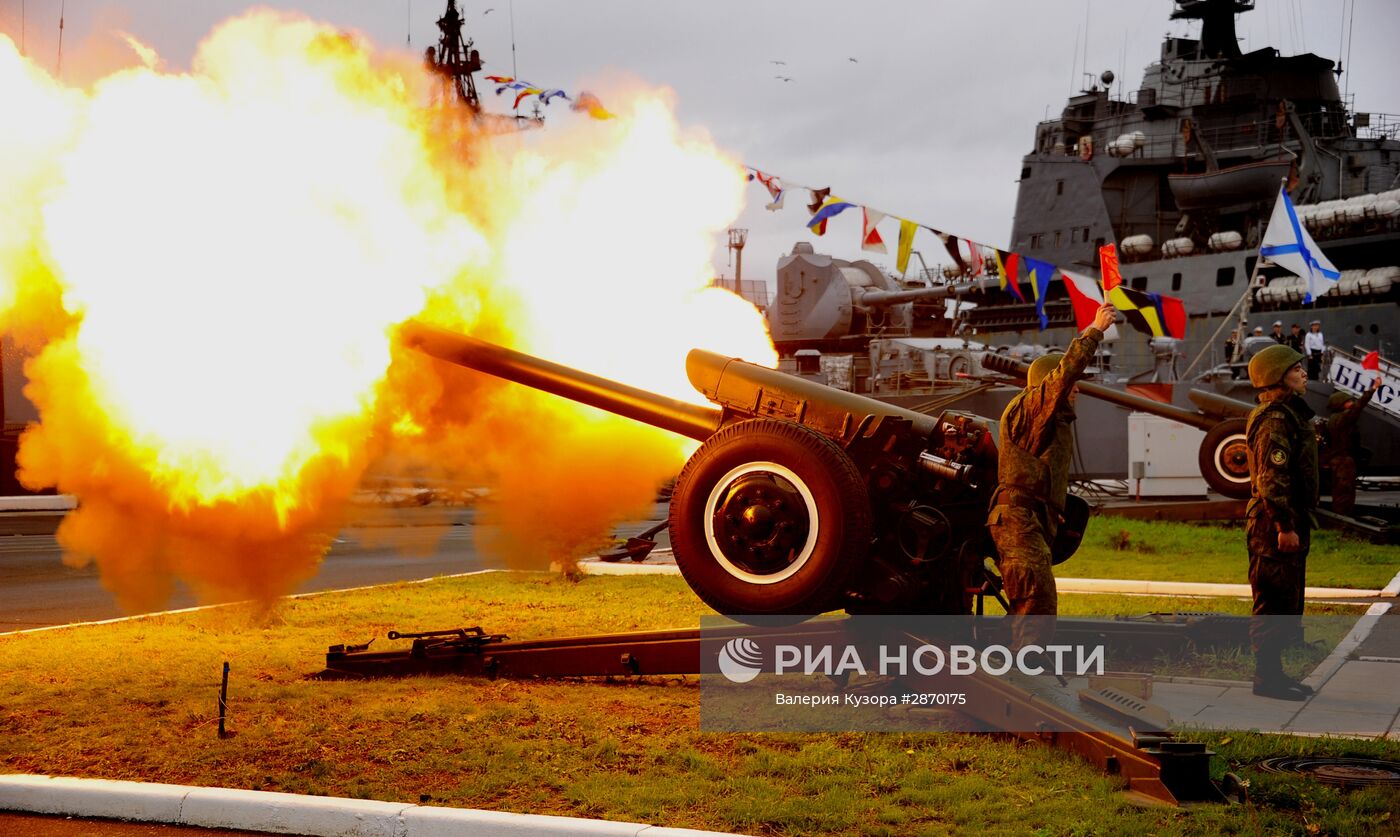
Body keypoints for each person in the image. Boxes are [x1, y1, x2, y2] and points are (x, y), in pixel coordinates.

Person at [988, 301, 1116, 649]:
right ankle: (1029, 676)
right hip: (1020, 518)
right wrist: (1095, 330)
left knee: (1026, 601)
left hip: (1031, 519)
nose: (1077, 390)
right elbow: (1064, 376)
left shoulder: (1049, 419)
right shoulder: (1032, 406)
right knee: (1038, 601)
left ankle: (1002, 668)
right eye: (1072, 385)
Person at [1245, 344, 1318, 701]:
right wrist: (1283, 526)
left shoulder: (1289, 415)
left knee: (1286, 600)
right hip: (1273, 525)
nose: (1304, 373)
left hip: (1286, 520)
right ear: (1278, 377)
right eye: (1296, 369)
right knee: (1272, 600)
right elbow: (1271, 478)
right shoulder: (1274, 419)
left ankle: (1275, 673)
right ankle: (1266, 679)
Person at [1325, 376, 1381, 517]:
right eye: (1348, 401)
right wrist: (1373, 389)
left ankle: (1340, 518)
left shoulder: (1333, 419)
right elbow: (1359, 405)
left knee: (1340, 490)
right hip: (1343, 460)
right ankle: (1343, 520)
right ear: (1340, 404)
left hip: (1337, 459)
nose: (1351, 403)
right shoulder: (1343, 418)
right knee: (1345, 491)